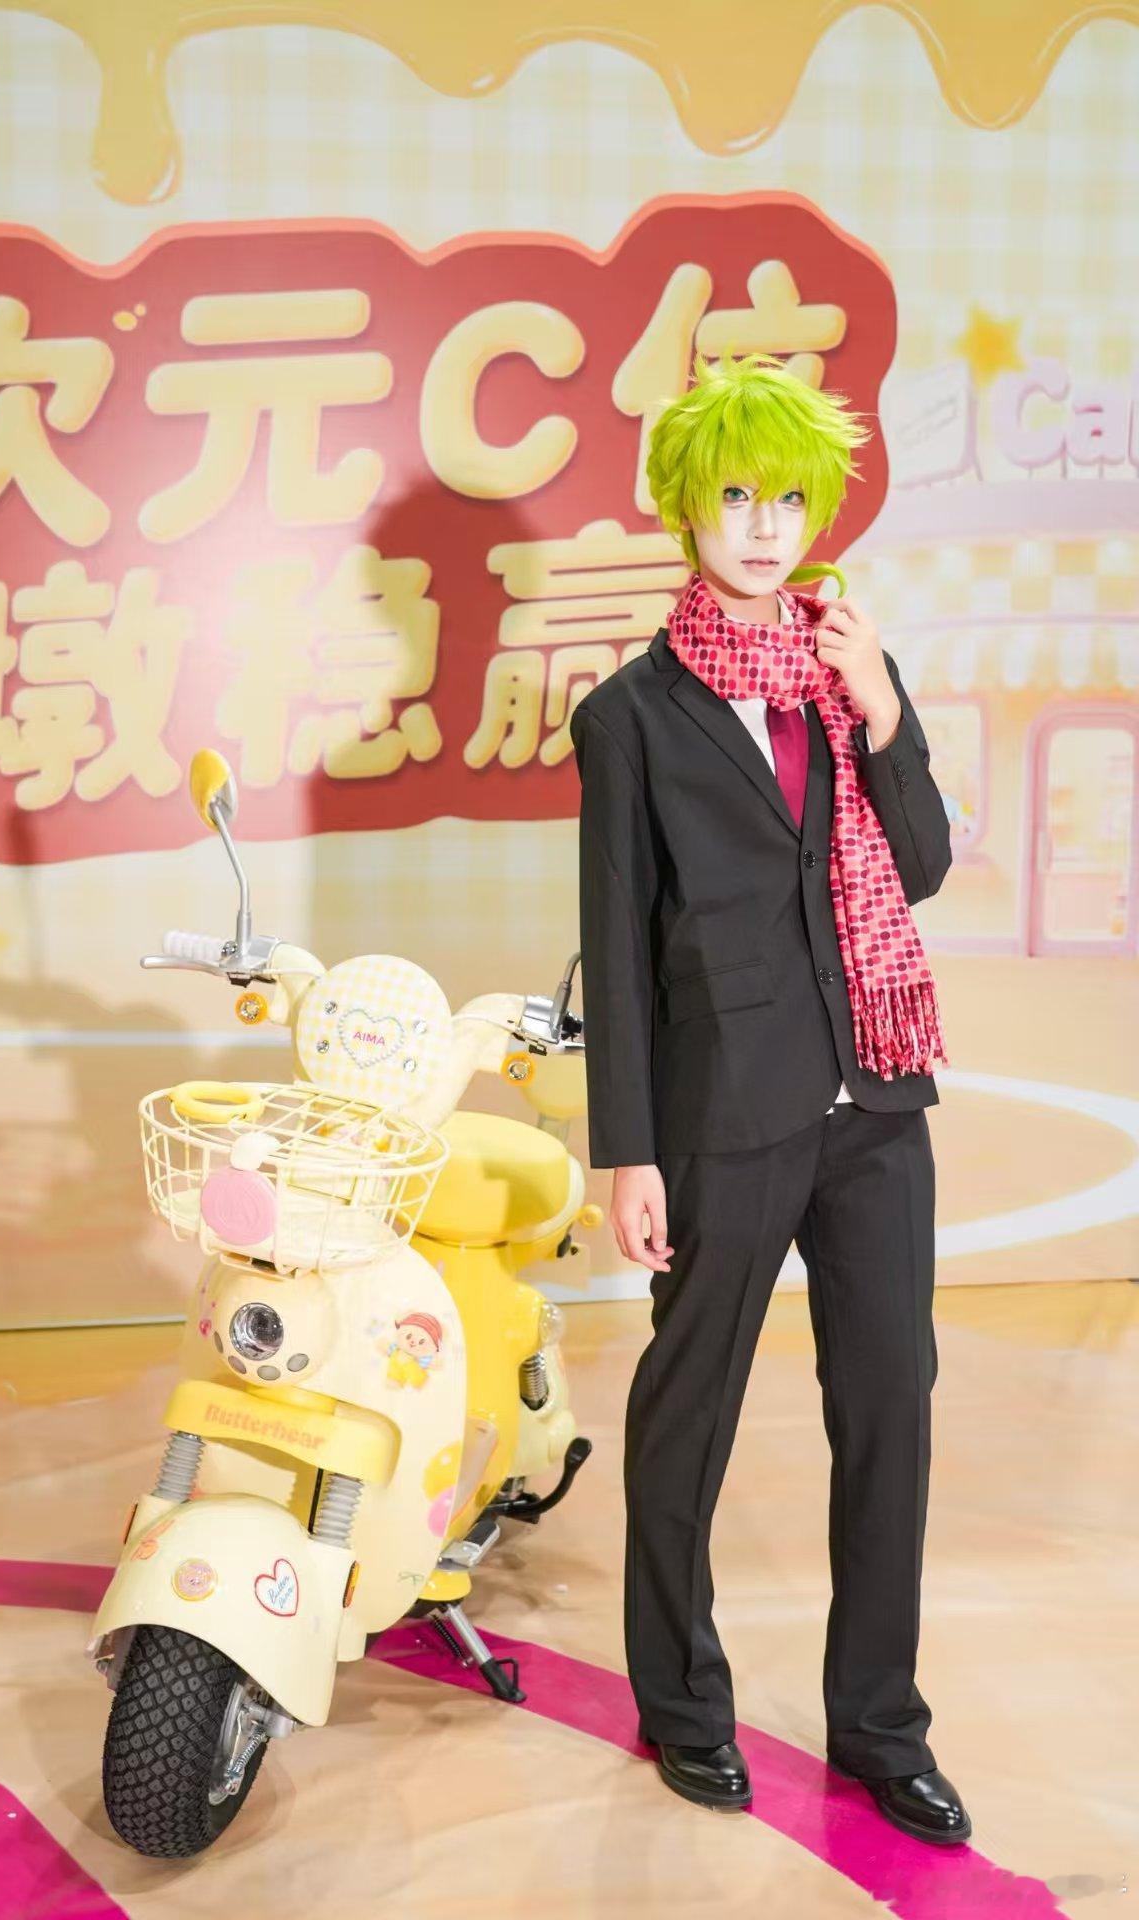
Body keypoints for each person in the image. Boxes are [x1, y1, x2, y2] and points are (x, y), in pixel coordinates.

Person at [568, 349, 971, 1846]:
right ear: (687, 506)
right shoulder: (630, 716)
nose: (761, 525)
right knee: (689, 1414)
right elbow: (618, 943)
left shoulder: (849, 669)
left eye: (787, 498)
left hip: (875, 1104)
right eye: (734, 495)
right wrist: (628, 1153)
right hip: (722, 1112)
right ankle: (683, 1707)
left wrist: (882, 709)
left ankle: (880, 1726)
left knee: (891, 1409)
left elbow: (917, 867)